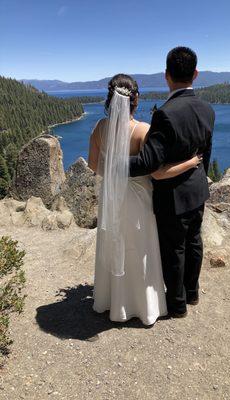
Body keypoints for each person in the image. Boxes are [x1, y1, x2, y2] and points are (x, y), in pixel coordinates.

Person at [88, 73, 202, 326]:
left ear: (110, 99)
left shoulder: (99, 128)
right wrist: (191, 162)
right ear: (135, 100)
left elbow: (95, 165)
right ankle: (142, 305)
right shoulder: (142, 130)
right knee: (140, 249)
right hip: (138, 197)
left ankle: (111, 300)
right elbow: (158, 173)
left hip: (112, 195)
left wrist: (115, 174)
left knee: (115, 240)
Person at [129, 47, 215, 318]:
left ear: (167, 76)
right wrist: (200, 179)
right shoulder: (207, 109)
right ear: (196, 74)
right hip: (197, 191)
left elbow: (148, 163)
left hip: (172, 196)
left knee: (174, 249)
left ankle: (177, 304)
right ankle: (192, 293)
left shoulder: (165, 114)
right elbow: (206, 154)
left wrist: (116, 165)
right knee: (194, 242)